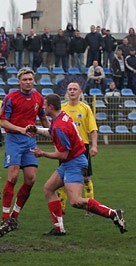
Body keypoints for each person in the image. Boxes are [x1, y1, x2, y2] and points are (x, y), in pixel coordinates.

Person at [30, 93, 126, 235]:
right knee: (48, 189)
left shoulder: (60, 126)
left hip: (73, 162)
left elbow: (63, 154)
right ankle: (59, 228)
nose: (43, 108)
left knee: (76, 201)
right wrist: (37, 130)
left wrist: (42, 153)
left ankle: (112, 213)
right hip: (71, 161)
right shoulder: (61, 117)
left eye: (44, 105)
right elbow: (52, 132)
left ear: (50, 107)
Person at [0, 67, 49, 223]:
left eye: (30, 79)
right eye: (25, 80)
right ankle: (5, 216)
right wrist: (21, 129)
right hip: (14, 139)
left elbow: (43, 119)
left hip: (30, 142)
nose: (28, 82)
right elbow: (3, 121)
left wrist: (52, 132)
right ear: (19, 81)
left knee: (31, 179)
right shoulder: (11, 97)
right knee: (13, 176)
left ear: (34, 81)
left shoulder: (38, 98)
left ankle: (15, 213)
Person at [57, 82, 98, 214]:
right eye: (70, 89)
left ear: (80, 92)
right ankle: (61, 207)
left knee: (86, 178)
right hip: (66, 148)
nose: (72, 91)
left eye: (75, 89)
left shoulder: (85, 108)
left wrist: (94, 146)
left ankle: (90, 207)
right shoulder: (62, 109)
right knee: (62, 178)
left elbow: (93, 129)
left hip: (82, 147)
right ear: (67, 92)